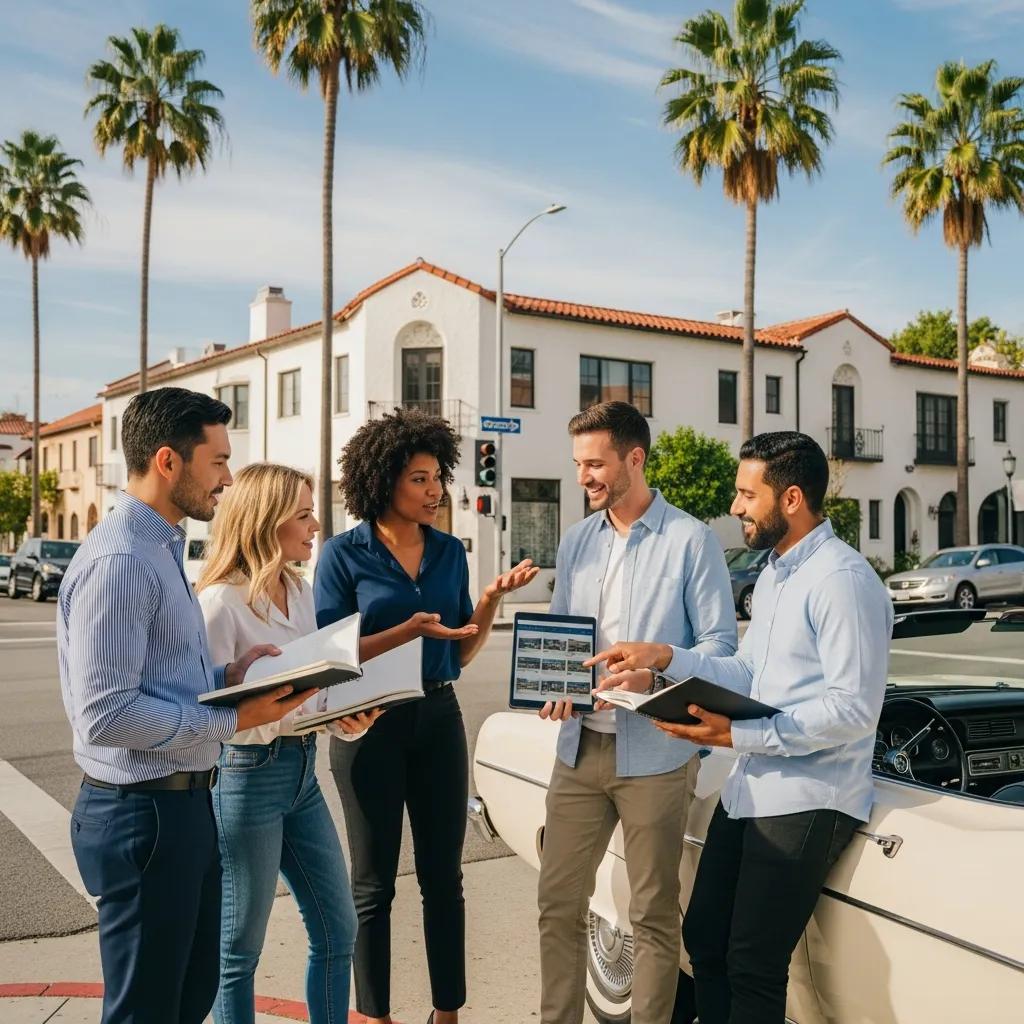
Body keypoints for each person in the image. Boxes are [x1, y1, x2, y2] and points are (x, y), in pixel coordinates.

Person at [589, 431, 893, 1024]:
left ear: (791, 499)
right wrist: (665, 659)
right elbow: (750, 672)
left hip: (810, 796)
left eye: (747, 495)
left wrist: (738, 736)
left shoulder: (843, 580)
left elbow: (853, 709)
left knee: (753, 963)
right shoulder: (777, 573)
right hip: (750, 788)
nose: (735, 507)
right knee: (704, 939)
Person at [57, 388, 311, 1024]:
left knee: (189, 1000)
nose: (228, 477)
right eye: (218, 460)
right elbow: (105, 714)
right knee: (148, 1012)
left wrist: (231, 677)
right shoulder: (122, 559)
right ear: (168, 462)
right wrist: (234, 717)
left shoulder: (161, 545)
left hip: (183, 807)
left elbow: (162, 680)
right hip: (142, 816)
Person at [314, 408, 538, 1024]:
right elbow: (329, 656)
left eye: (438, 476)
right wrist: (406, 631)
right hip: (369, 726)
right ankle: (376, 1015)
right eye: (419, 478)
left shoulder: (448, 553)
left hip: (439, 717)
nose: (435, 489)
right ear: (383, 481)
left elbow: (459, 651)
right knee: (373, 885)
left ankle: (448, 1012)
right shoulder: (342, 556)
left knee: (444, 878)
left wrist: (488, 602)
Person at [536, 401, 738, 1024]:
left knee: (652, 913)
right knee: (557, 905)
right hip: (578, 749)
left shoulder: (691, 540)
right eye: (578, 464)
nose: (583, 477)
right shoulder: (577, 541)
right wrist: (555, 683)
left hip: (656, 753)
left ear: (634, 459)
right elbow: (562, 637)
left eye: (595, 464)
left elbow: (720, 647)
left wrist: (657, 673)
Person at [197, 463, 377, 1024]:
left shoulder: (300, 590)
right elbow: (208, 712)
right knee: (238, 949)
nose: (316, 525)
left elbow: (310, 689)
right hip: (246, 777)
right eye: (303, 515)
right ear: (266, 522)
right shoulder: (221, 603)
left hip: (302, 773)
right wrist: (272, 709)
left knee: (338, 929)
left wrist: (344, 718)